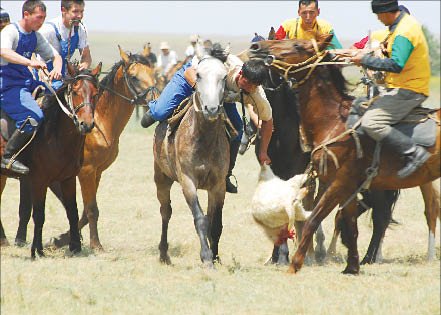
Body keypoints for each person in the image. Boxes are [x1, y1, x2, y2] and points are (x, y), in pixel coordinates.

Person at [140, 44, 273, 193]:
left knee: (238, 129)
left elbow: (268, 120)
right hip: (193, 78)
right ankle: (154, 110)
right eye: (247, 83)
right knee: (160, 112)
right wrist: (201, 88)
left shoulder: (256, 94)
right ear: (240, 73)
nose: (249, 88)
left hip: (221, 97)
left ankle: (226, 173)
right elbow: (190, 73)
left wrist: (263, 152)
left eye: (254, 86)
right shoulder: (221, 67)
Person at [351, 0, 431, 178]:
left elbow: (396, 64)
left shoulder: (404, 31)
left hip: (409, 90)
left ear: (386, 11)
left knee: (371, 123)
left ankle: (414, 152)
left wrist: (364, 60)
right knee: (357, 105)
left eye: (378, 15)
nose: (378, 19)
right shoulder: (399, 26)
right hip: (400, 87)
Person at [0, 0, 62, 175]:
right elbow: (3, 51)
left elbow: (55, 56)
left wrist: (57, 68)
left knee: (59, 93)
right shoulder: (11, 31)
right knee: (33, 116)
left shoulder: (35, 35)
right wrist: (30, 62)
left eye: (43, 18)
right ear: (26, 15)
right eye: (38, 17)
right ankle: (8, 157)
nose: (41, 22)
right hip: (7, 86)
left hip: (27, 82)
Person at [36, 0, 91, 91]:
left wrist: (85, 64)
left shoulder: (80, 29)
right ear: (63, 10)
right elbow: (34, 57)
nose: (80, 16)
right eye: (75, 11)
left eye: (82, 11)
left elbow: (86, 56)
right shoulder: (48, 30)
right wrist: (45, 72)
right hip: (44, 77)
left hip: (65, 77)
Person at [275, 0, 342, 49]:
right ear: (299, 12)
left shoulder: (326, 28)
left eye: (311, 13)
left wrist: (323, 42)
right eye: (304, 13)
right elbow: (273, 46)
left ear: (318, 12)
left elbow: (337, 50)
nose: (308, 17)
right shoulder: (287, 26)